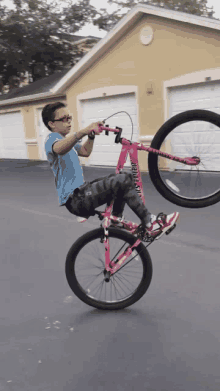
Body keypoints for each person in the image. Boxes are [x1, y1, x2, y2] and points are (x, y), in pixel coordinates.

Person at [43, 102, 179, 239]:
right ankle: (151, 224)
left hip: (82, 192)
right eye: (64, 119)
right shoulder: (52, 139)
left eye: (69, 118)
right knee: (122, 180)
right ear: (52, 124)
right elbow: (59, 149)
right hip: (76, 199)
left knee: (123, 179)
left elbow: (85, 151)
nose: (68, 122)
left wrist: (90, 136)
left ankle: (116, 219)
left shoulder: (67, 141)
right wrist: (82, 132)